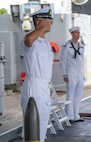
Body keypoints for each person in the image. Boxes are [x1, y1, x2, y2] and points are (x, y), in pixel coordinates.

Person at [21, 7, 54, 142]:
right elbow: (28, 40)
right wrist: (40, 30)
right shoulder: (32, 41)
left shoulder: (45, 42)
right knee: (32, 126)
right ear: (39, 22)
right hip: (34, 86)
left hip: (44, 87)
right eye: (48, 21)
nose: (51, 24)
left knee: (42, 123)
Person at [60, 26, 85, 123]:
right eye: (76, 33)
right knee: (70, 94)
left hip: (79, 72)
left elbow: (81, 60)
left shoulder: (81, 46)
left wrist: (82, 73)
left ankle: (76, 115)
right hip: (71, 72)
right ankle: (69, 116)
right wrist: (64, 74)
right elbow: (62, 61)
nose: (78, 35)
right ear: (72, 34)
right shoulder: (67, 46)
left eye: (79, 33)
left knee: (78, 94)